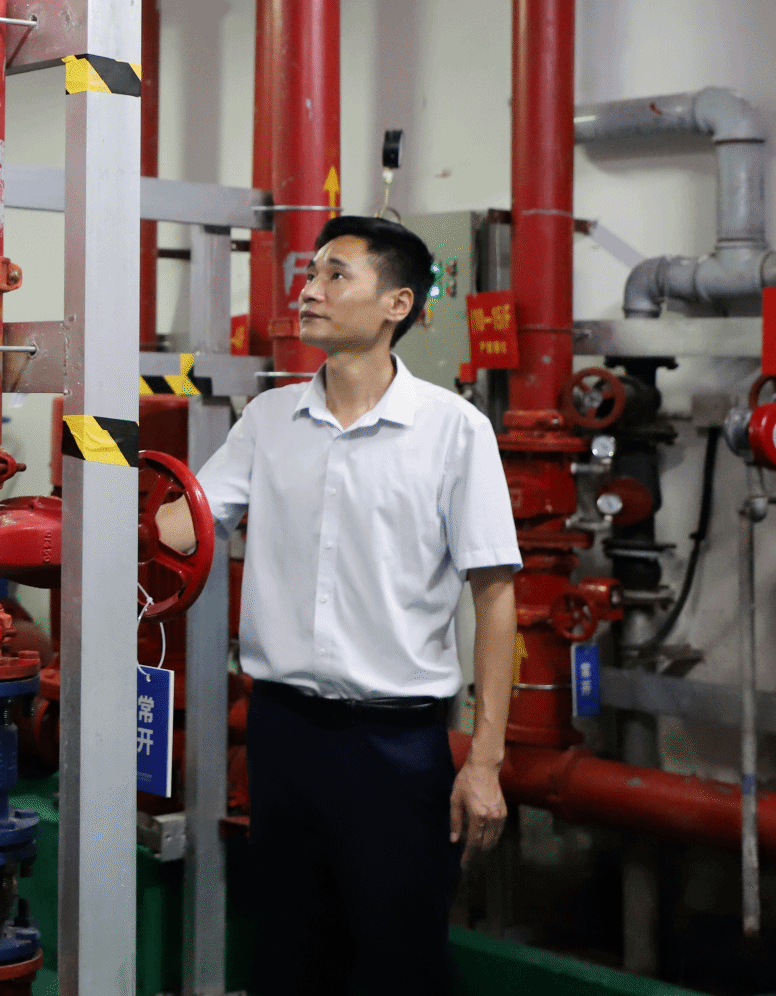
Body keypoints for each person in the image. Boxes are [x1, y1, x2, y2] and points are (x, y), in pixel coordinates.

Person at [157, 215, 519, 995]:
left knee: (398, 961)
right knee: (289, 954)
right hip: (282, 732)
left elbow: (495, 598)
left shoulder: (454, 431)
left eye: (335, 274)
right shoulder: (269, 420)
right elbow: (181, 526)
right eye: (310, 273)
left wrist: (484, 761)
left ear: (397, 303)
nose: (310, 290)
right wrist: (99, 453)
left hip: (396, 746)